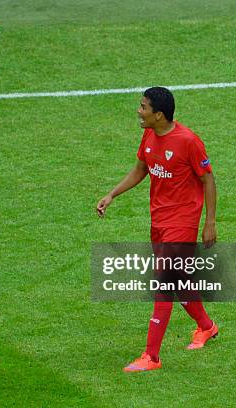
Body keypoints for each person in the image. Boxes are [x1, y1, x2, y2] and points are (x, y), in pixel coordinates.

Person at [96, 87, 218, 372]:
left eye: (143, 107)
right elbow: (142, 169)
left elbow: (208, 180)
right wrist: (112, 194)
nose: (139, 111)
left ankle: (151, 356)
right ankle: (207, 327)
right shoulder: (150, 134)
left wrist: (209, 222)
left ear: (158, 115)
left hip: (183, 222)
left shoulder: (188, 141)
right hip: (159, 221)